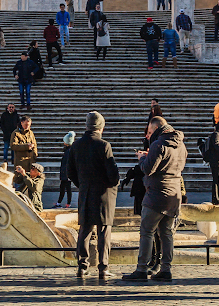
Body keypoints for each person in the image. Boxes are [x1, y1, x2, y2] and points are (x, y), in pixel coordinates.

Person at [123, 116, 187, 283]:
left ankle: (141, 269)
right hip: (174, 195)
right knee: (166, 233)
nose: (148, 136)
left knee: (147, 232)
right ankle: (166, 269)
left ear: (157, 129)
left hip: (156, 195)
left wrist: (143, 158)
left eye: (150, 132)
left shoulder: (158, 144)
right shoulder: (180, 144)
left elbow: (147, 169)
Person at [68, 110, 119, 280]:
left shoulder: (75, 145)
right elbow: (113, 175)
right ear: (101, 128)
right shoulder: (104, 145)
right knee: (104, 231)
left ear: (86, 126)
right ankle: (103, 268)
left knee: (85, 231)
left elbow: (70, 172)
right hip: (104, 194)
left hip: (85, 192)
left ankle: (82, 267)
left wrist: (82, 185)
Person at [204, 120, 219, 204]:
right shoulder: (216, 134)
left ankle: (218, 199)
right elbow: (216, 144)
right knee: (217, 181)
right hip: (217, 162)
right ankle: (216, 200)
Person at [54, 132, 76, 208]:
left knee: (66, 188)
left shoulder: (68, 151)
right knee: (64, 187)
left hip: (66, 172)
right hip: (65, 172)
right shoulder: (69, 150)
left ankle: (67, 203)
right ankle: (59, 202)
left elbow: (67, 163)